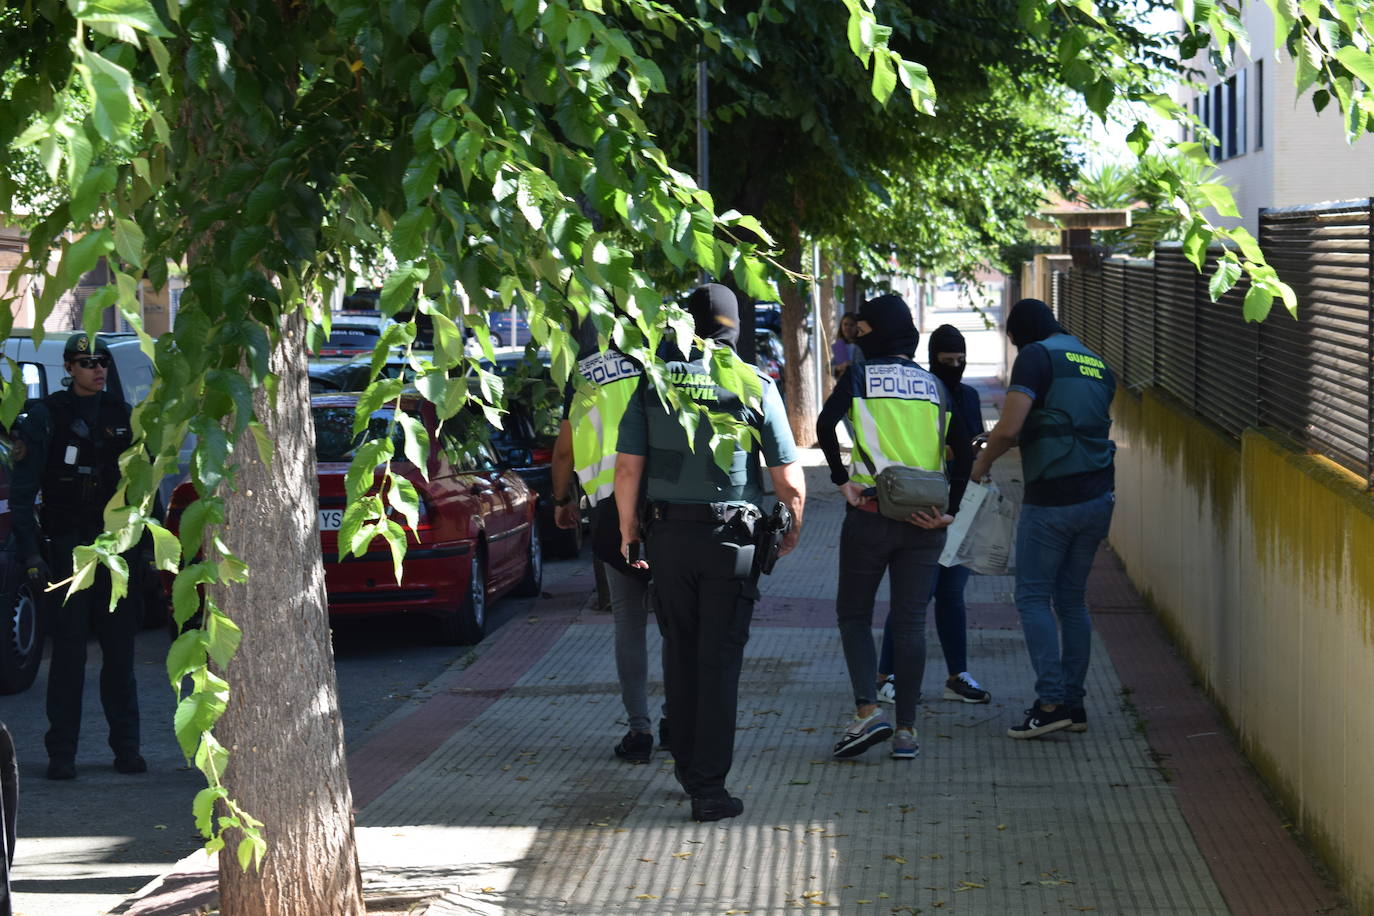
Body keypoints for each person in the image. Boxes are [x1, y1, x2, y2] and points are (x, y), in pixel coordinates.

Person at [613, 283, 804, 822]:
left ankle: (687, 766)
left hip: (668, 538)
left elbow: (627, 468)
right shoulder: (752, 382)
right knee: (719, 661)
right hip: (732, 541)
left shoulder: (653, 382)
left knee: (679, 648)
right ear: (734, 325)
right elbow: (788, 478)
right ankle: (709, 787)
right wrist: (792, 529)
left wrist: (630, 530)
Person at [815, 296, 973, 761]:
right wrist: (952, 512)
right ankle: (907, 731)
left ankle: (868, 711)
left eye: (863, 330)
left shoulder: (860, 377)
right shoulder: (935, 386)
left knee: (854, 615)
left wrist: (842, 481)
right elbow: (962, 452)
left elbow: (825, 426)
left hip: (869, 515)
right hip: (925, 523)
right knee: (909, 625)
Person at [970, 298, 1116, 739]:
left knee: (1033, 597)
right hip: (1099, 495)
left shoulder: (1035, 356)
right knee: (1071, 600)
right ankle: (1073, 703)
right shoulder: (1093, 359)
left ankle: (1050, 703)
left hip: (1053, 498)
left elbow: (1011, 428)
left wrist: (981, 464)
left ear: (1019, 335)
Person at [10, 333, 144, 780]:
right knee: (68, 658)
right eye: (87, 362)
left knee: (120, 654)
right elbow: (25, 495)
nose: (98, 369)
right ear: (69, 368)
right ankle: (61, 754)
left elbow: (139, 492)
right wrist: (31, 552)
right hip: (67, 547)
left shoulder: (122, 416)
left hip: (114, 548)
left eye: (102, 361)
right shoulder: (46, 417)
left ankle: (127, 748)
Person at [549, 319, 665, 763]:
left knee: (628, 621)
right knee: (673, 619)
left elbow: (564, 450)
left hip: (607, 509)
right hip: (663, 505)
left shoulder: (582, 375)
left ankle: (640, 731)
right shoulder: (657, 364)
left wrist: (562, 499)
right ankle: (678, 718)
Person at [873, 324, 990, 706]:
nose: (955, 367)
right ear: (932, 359)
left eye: (960, 361)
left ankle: (958, 674)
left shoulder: (969, 396)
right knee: (916, 595)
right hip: (922, 502)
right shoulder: (923, 391)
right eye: (947, 361)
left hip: (961, 504)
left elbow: (975, 443)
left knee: (952, 593)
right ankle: (885, 674)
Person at [831, 311, 862, 378]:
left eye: (851, 325)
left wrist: (850, 366)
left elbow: (861, 368)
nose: (848, 328)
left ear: (857, 327)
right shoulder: (840, 345)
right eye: (845, 324)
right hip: (842, 384)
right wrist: (838, 367)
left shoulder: (860, 345)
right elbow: (830, 367)